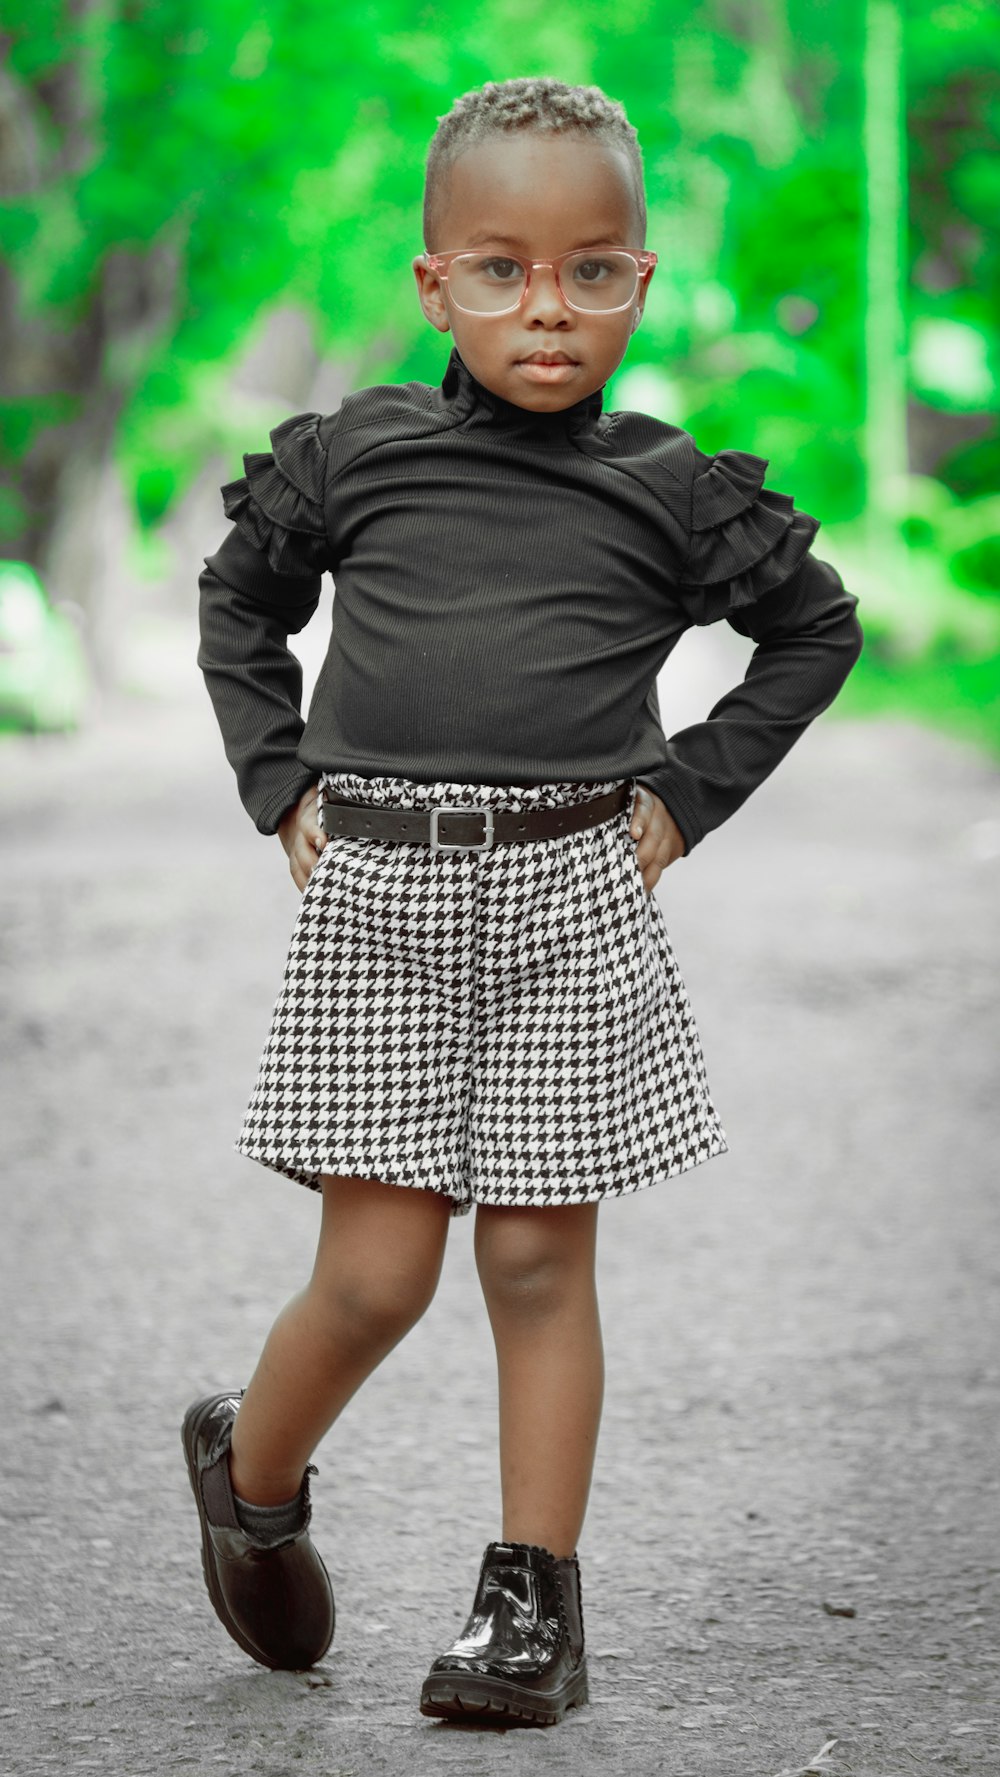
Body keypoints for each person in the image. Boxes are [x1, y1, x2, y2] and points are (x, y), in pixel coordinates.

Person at [184, 75, 863, 1726]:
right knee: (376, 1276)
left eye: (589, 270)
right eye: (498, 268)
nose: (544, 307)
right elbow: (239, 605)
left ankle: (527, 1606)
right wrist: (280, 778)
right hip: (383, 898)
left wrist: (684, 798)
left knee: (542, 1266)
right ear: (435, 282)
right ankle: (250, 1474)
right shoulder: (360, 454)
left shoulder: (671, 486)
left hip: (575, 898)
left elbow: (815, 632)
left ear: (640, 276)